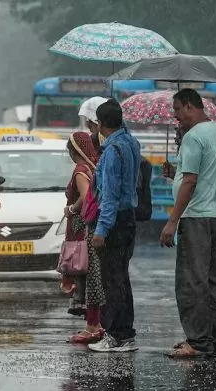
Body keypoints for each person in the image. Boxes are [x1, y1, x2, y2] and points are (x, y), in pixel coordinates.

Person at [159, 88, 216, 358]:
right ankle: (215, 339)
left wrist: (172, 221)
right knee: (214, 282)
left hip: (196, 218)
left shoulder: (193, 137)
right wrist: (174, 173)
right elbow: (205, 173)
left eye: (177, 110)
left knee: (192, 282)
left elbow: (191, 181)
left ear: (190, 106)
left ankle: (198, 342)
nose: (176, 117)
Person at [87, 99, 141, 353]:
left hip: (115, 221)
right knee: (122, 278)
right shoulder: (131, 142)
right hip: (128, 217)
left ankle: (115, 335)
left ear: (100, 124)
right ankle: (125, 334)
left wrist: (101, 230)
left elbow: (109, 194)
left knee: (112, 280)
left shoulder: (112, 152)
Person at [63, 130, 107, 344]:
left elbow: (85, 195)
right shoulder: (93, 167)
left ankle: (92, 326)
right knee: (93, 275)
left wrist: (71, 209)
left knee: (88, 276)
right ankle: (96, 323)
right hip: (91, 225)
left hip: (83, 228)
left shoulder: (81, 170)